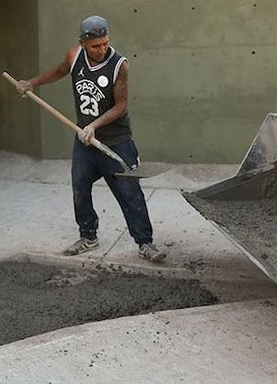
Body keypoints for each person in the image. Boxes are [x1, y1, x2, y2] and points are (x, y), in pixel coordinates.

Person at [16, 15, 166, 262]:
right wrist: (32, 83)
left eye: (105, 43)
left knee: (129, 191)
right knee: (80, 186)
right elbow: (58, 71)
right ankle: (88, 236)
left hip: (116, 140)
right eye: (96, 45)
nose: (102, 49)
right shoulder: (74, 56)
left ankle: (145, 243)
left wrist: (94, 125)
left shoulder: (119, 65)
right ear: (83, 43)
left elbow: (121, 107)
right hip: (85, 140)